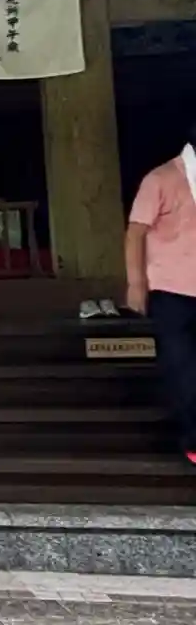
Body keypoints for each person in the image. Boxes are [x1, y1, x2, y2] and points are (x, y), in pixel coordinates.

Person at [127, 127, 196, 464]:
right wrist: (136, 282)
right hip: (171, 288)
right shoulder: (161, 178)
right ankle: (193, 439)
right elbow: (135, 232)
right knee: (182, 365)